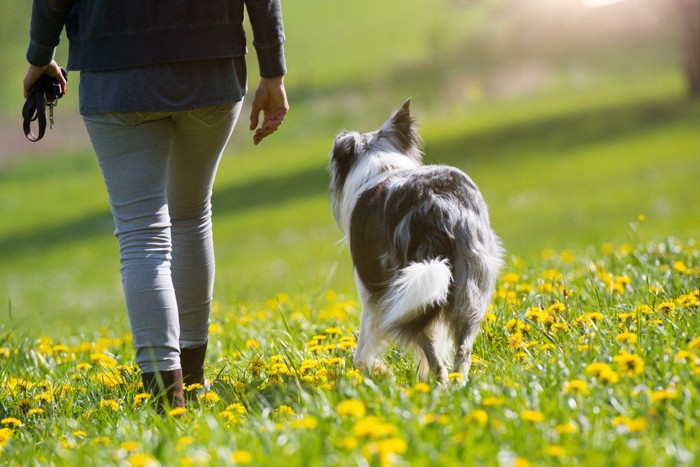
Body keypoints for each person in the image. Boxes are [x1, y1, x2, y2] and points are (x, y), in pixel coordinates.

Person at [23, 0, 289, 412]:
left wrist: (40, 56)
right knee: (191, 215)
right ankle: (193, 381)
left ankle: (168, 402)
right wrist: (273, 69)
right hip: (211, 66)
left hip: (115, 72)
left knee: (142, 235)